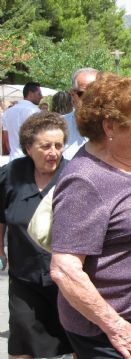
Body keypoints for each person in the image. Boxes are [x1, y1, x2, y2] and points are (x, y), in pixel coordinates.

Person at [50, 73, 131, 359]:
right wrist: (115, 325)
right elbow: (65, 269)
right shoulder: (86, 181)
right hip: (108, 333)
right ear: (110, 127)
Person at [0, 112, 72, 359]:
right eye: (45, 146)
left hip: (67, 281)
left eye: (58, 145)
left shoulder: (73, 175)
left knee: (75, 342)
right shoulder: (10, 174)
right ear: (29, 147)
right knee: (22, 344)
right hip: (25, 277)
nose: (53, 152)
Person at [63, 67, 98, 160]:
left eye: (97, 94)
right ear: (72, 94)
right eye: (84, 94)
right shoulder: (57, 127)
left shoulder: (114, 129)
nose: (91, 100)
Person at [2, 82, 43, 160]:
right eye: (39, 94)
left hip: (13, 158)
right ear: (30, 94)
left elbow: (7, 138)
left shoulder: (8, 112)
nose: (41, 97)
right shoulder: (35, 111)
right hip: (30, 160)